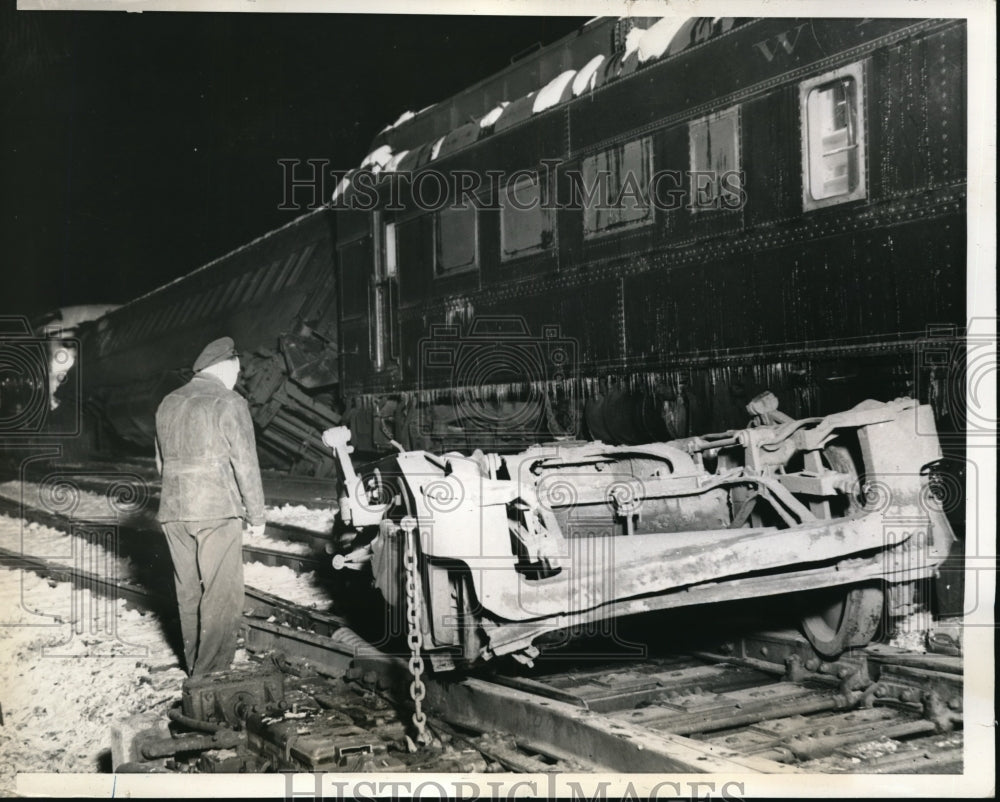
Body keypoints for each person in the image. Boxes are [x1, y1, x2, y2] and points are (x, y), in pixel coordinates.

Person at [154, 336, 265, 676]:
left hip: (173, 511)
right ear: (226, 366)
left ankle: (195, 668)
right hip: (216, 510)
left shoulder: (168, 403)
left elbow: (161, 464)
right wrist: (256, 514)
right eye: (237, 370)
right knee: (220, 594)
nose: (238, 376)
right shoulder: (229, 401)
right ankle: (212, 673)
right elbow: (245, 462)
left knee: (188, 593)